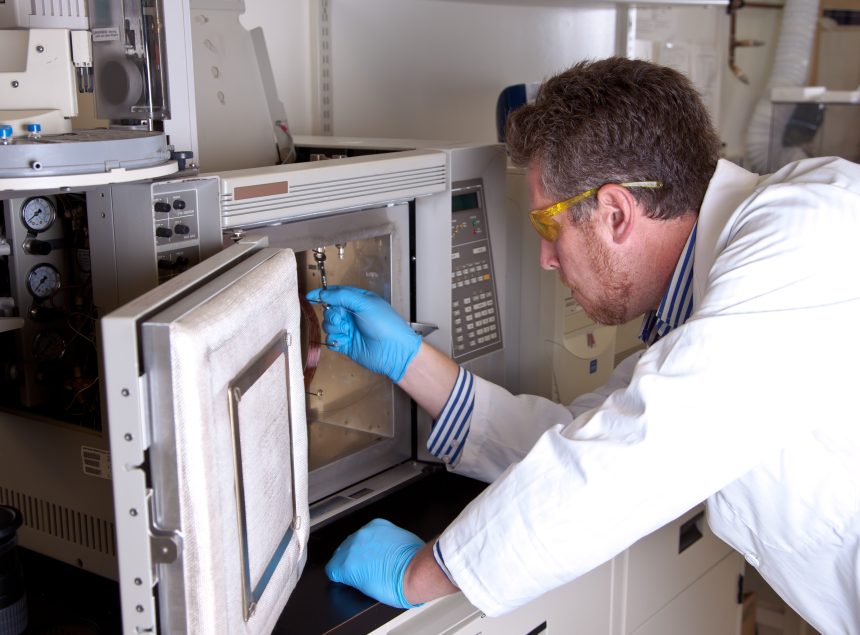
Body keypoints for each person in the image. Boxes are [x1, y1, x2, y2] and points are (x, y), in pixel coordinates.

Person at [306, 57, 860, 632]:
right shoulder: (717, 295)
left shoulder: (802, 237)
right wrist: (410, 360)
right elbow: (577, 437)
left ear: (616, 212)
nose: (546, 258)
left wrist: (421, 573)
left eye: (549, 227)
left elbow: (631, 457)